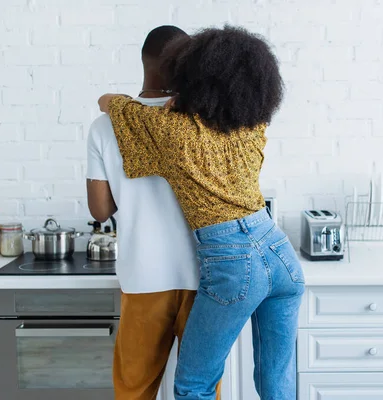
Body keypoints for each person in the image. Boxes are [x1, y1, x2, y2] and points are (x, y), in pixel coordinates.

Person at [98, 25, 304, 400]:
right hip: (279, 253)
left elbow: (112, 103)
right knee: (277, 383)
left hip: (232, 261)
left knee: (194, 385)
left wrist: (114, 97)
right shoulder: (252, 125)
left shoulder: (169, 130)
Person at [86, 25, 221, 400]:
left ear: (144, 61)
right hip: (205, 274)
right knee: (201, 390)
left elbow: (99, 210)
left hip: (143, 275)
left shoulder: (105, 125)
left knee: (134, 389)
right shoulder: (202, 120)